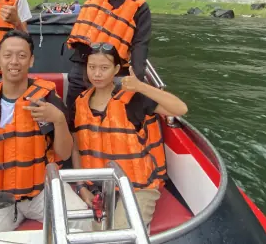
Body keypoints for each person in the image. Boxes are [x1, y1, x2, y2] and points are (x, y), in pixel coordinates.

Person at [0, 30, 91, 234]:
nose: (14, 61)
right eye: (8, 55)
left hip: (41, 191)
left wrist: (59, 120)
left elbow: (63, 153)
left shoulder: (47, 99)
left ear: (32, 60)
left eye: (22, 55)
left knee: (81, 219)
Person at [70, 43, 188, 229]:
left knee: (117, 236)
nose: (97, 74)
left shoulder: (134, 99)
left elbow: (180, 109)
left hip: (138, 189)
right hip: (100, 189)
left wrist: (141, 86)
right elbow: (76, 148)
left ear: (116, 69)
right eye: (92, 67)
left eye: (104, 68)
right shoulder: (80, 102)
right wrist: (82, 187)